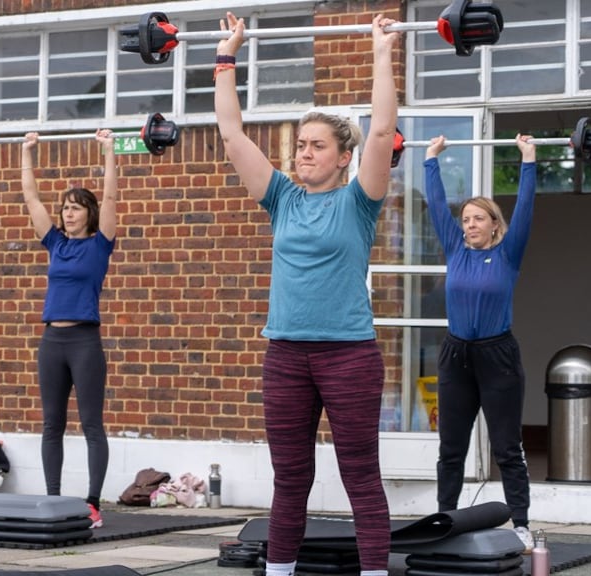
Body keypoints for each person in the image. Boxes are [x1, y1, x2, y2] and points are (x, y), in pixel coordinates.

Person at [214, 12, 401, 576]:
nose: (304, 153)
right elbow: (230, 133)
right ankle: (278, 572)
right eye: (300, 145)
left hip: (349, 356)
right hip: (287, 357)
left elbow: (382, 126)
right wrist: (228, 57)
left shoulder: (359, 200)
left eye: (317, 146)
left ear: (344, 157)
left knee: (360, 476)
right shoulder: (281, 200)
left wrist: (381, 55)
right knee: (291, 479)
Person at [424, 134, 536, 552]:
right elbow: (437, 205)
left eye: (477, 219)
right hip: (456, 356)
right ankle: (444, 519)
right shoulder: (454, 249)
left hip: (498, 357)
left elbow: (525, 209)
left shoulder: (509, 253)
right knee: (450, 447)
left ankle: (521, 523)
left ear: (494, 224)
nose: (469, 224)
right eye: (466, 218)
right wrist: (431, 159)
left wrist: (528, 160)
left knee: (508, 447)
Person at [20, 129, 118, 529]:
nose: (68, 213)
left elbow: (112, 197)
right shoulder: (55, 243)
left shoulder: (100, 244)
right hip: (52, 341)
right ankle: (54, 498)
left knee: (91, 423)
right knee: (51, 424)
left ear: (89, 213)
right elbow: (30, 197)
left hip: (84, 342)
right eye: (65, 207)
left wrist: (109, 151)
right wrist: (27, 153)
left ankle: (93, 503)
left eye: (76, 207)